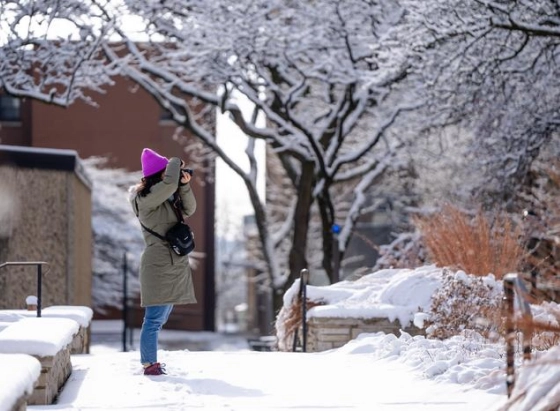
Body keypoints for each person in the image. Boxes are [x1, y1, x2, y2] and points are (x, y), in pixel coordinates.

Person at [129, 148, 197, 376]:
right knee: (154, 319)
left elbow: (190, 209)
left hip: (173, 261)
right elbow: (168, 184)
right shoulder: (145, 199)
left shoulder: (168, 196)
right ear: (159, 175)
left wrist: (185, 186)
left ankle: (150, 362)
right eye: (167, 171)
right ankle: (149, 364)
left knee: (161, 317)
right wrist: (175, 161)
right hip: (157, 264)